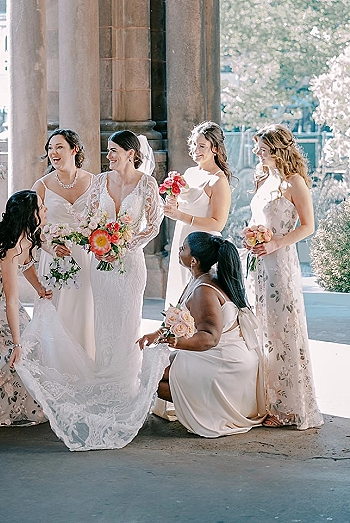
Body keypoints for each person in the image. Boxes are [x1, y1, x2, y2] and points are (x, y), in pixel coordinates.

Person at [16, 130, 168, 451]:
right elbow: (85, 219)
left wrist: (126, 244)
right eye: (108, 151)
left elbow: (153, 225)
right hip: (100, 262)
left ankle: (123, 387)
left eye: (113, 151)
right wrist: (96, 241)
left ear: (130, 153)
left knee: (127, 320)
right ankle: (103, 380)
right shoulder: (100, 181)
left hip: (130, 262)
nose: (109, 156)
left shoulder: (147, 184)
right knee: (102, 322)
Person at [140, 232, 264, 437]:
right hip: (216, 355)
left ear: (194, 261)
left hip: (226, 364)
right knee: (149, 369)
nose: (179, 250)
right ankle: (200, 401)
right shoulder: (199, 279)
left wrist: (174, 341)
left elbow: (210, 337)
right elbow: (180, 318)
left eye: (184, 248)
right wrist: (156, 334)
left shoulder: (204, 290)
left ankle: (209, 408)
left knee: (150, 376)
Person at [246, 124, 323, 429]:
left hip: (280, 263)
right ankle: (266, 400)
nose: (257, 152)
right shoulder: (264, 178)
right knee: (261, 329)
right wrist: (250, 236)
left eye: (262, 149)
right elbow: (257, 218)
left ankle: (289, 406)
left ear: (278, 150)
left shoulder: (294, 184)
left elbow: (308, 226)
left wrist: (276, 242)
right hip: (258, 262)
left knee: (281, 329)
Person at [0, 191, 52, 427]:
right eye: (41, 208)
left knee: (32, 342)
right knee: (20, 346)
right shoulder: (10, 246)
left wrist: (39, 288)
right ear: (29, 216)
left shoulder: (27, 237)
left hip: (1, 300)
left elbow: (26, 265)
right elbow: (12, 300)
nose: (45, 211)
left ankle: (19, 402)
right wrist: (16, 343)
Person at [33, 130, 95, 357]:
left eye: (59, 147)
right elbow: (32, 229)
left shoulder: (94, 182)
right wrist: (49, 247)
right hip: (54, 257)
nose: (53, 153)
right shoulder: (42, 185)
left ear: (74, 149)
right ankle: (55, 361)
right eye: (50, 148)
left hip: (87, 256)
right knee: (56, 310)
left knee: (84, 311)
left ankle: (87, 358)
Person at [164, 121, 232, 309]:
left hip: (203, 245)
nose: (195, 149)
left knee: (196, 296)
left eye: (202, 146)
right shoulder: (190, 173)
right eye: (194, 144)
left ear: (215, 149)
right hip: (182, 238)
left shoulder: (218, 180)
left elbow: (218, 224)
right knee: (179, 290)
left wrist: (180, 215)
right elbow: (182, 206)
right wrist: (172, 204)